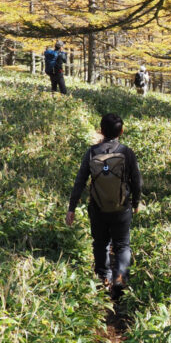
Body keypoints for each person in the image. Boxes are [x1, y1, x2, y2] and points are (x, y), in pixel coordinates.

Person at [66, 113, 142, 293]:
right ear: (121, 131)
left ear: (101, 131)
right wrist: (136, 202)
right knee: (122, 245)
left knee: (100, 243)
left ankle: (103, 279)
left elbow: (80, 181)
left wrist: (72, 208)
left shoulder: (92, 152)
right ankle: (119, 280)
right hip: (122, 208)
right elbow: (137, 181)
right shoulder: (126, 152)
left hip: (98, 208)